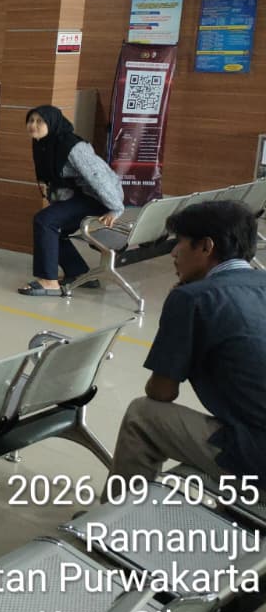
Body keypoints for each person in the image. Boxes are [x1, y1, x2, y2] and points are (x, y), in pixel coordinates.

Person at [110, 201, 266, 482]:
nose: (173, 253)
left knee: (142, 415)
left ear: (206, 247)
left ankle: (120, 509)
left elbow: (162, 392)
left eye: (179, 242)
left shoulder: (192, 298)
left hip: (257, 456)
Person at [18, 105, 124, 296]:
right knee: (51, 227)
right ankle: (79, 274)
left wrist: (115, 208)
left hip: (99, 197)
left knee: (45, 221)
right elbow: (55, 180)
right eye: (31, 120)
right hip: (80, 196)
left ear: (52, 123)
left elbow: (99, 177)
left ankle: (49, 282)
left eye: (40, 121)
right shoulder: (43, 143)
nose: (33, 125)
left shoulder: (72, 146)